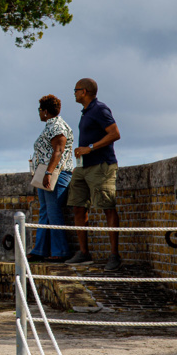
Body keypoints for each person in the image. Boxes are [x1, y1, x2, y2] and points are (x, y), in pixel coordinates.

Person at [66, 78, 122, 270]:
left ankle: (114, 256)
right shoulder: (86, 111)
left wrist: (90, 148)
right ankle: (84, 253)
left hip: (101, 165)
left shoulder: (100, 109)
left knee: (108, 207)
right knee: (78, 207)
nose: (73, 93)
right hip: (84, 167)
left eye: (75, 90)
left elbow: (115, 133)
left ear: (84, 91)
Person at [27, 95, 75, 263]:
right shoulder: (51, 126)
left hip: (55, 174)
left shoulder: (57, 126)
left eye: (40, 110)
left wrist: (48, 173)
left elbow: (58, 151)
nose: (39, 113)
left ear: (45, 112)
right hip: (45, 172)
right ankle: (40, 249)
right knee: (45, 211)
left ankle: (60, 251)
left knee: (53, 212)